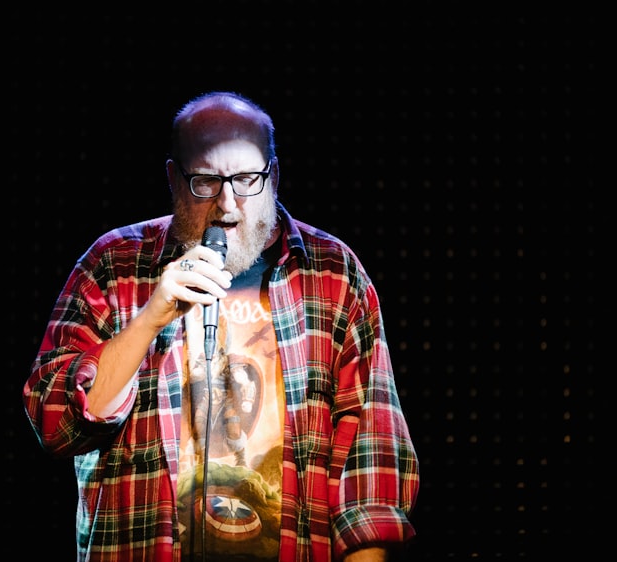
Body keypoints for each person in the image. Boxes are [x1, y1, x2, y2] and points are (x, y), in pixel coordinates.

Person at [23, 91, 419, 561]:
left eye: (247, 179)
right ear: (174, 179)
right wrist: (151, 317)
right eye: (206, 182)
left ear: (274, 176)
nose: (228, 205)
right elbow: (56, 425)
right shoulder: (113, 265)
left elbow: (371, 460)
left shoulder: (332, 273)